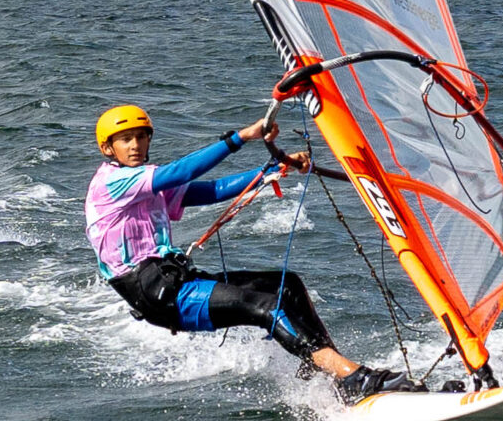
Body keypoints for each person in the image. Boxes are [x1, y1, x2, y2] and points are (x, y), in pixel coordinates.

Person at [85, 103, 407, 402]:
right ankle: (352, 376)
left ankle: (328, 373)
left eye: (141, 137)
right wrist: (240, 138)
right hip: (154, 293)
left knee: (287, 285)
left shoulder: (146, 185)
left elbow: (211, 190)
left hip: (174, 281)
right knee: (267, 307)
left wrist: (269, 171)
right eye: (125, 139)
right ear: (107, 148)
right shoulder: (112, 182)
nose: (136, 145)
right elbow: (180, 172)